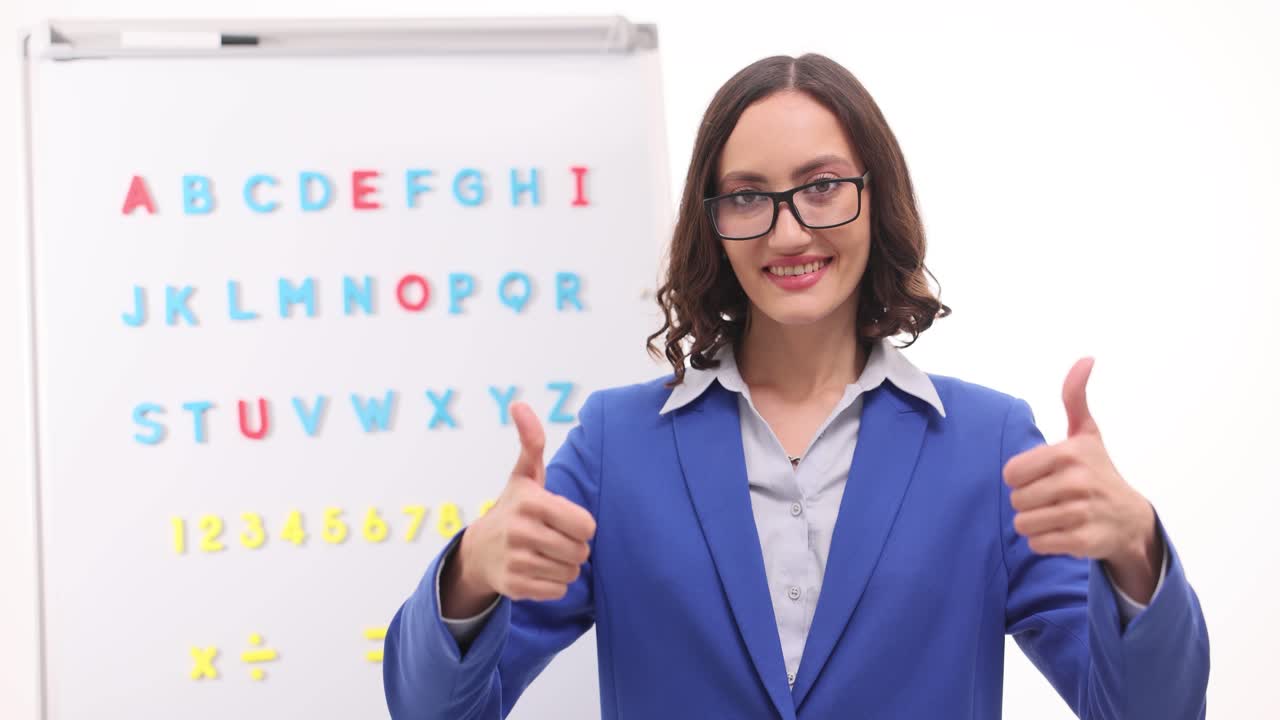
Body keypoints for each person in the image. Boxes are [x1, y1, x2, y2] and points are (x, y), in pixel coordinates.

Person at [382, 53, 1210, 719]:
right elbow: (432, 711)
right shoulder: (615, 447)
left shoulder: (987, 445)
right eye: (747, 196)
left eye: (821, 187)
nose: (788, 230)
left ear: (874, 199)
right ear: (712, 222)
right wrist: (470, 575)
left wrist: (1137, 550)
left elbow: (1148, 711)